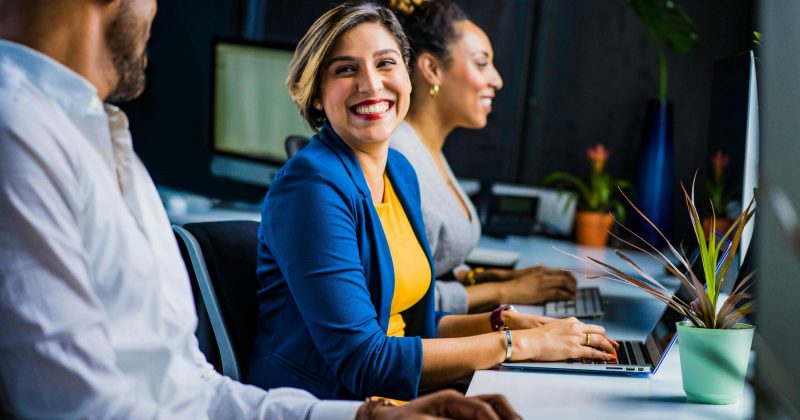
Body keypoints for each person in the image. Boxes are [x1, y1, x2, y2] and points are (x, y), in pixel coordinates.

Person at [0, 0, 518, 418]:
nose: (157, 11)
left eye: (386, 64)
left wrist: (370, 417)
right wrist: (509, 345)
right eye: (346, 70)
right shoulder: (19, 133)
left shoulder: (106, 140)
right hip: (342, 388)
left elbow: (189, 384)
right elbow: (76, 405)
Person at [250, 1, 617, 402]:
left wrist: (505, 323)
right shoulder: (311, 187)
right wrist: (518, 345)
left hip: (398, 396)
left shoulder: (400, 172)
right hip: (330, 404)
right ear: (317, 95)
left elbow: (413, 327)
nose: (371, 84)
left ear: (408, 77)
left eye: (385, 63)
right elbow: (364, 361)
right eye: (345, 69)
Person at [387, 0, 578, 315]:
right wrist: (505, 290)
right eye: (481, 63)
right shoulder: (397, 157)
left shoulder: (426, 149)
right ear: (432, 69)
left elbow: (436, 266)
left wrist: (497, 276)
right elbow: (398, 298)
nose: (497, 80)